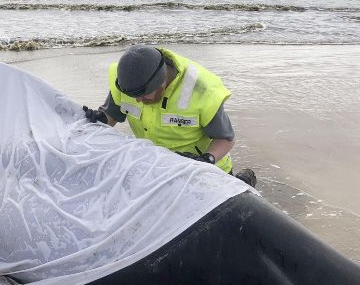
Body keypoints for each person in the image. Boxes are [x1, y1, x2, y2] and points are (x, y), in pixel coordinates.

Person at [84, 45, 256, 187]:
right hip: (158, 168)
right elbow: (111, 115)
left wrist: (205, 160)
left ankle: (244, 180)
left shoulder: (203, 91)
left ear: (163, 82)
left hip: (206, 170)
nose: (138, 100)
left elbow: (226, 139)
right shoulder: (128, 80)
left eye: (144, 96)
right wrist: (100, 119)